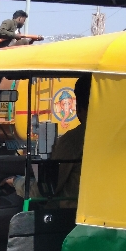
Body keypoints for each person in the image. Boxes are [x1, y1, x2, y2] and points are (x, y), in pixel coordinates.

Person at [9, 73, 91, 206]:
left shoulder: (73, 141)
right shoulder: (119, 136)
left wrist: (15, 182)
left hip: (73, 214)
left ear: (79, 107)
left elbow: (46, 189)